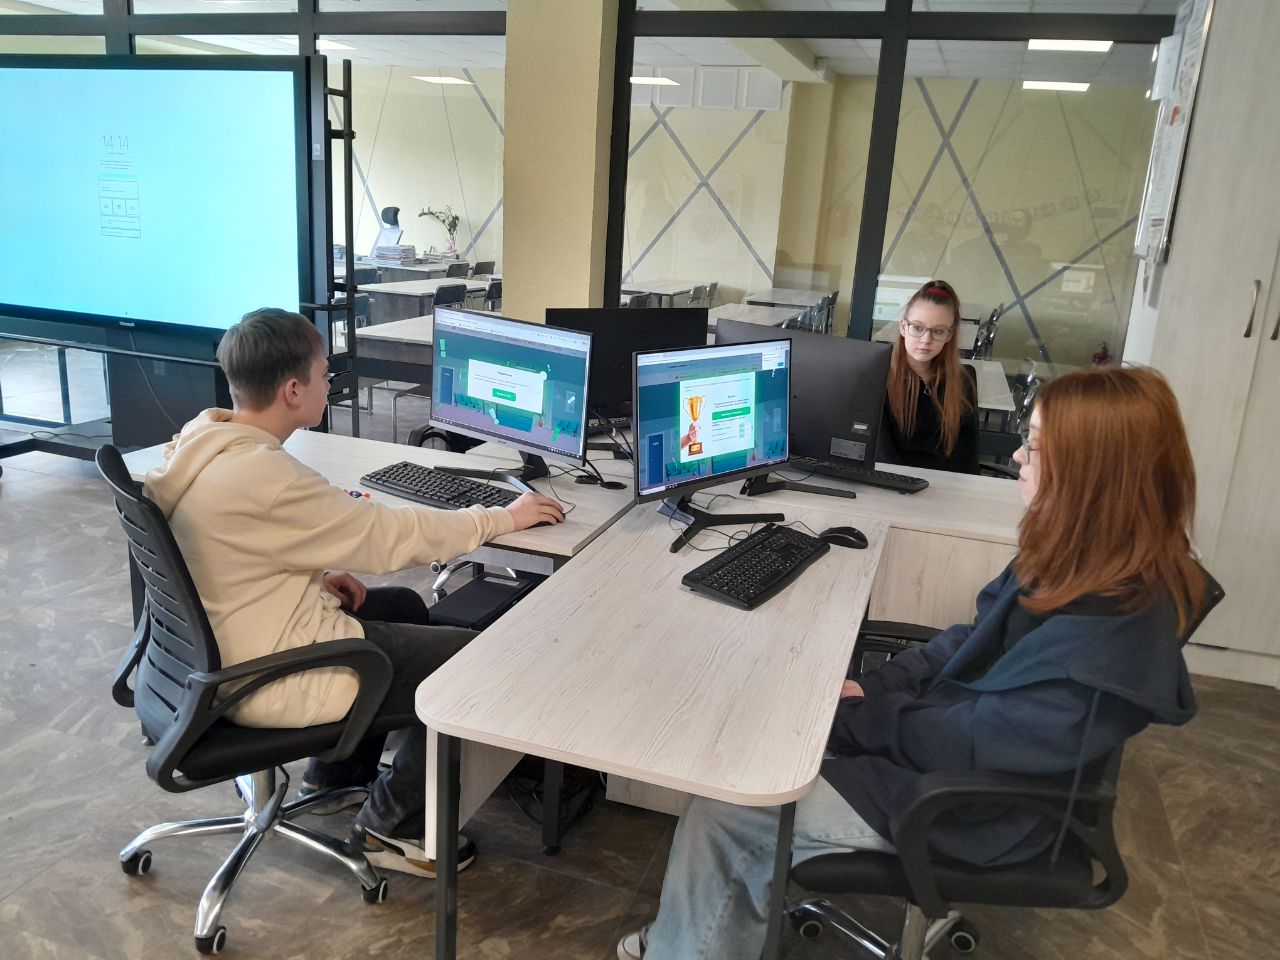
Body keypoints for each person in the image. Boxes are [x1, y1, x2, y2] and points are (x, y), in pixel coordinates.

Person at [619, 366, 1206, 959]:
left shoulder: (1113, 629)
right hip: (951, 754)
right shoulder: (1080, 552)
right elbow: (971, 641)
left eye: (1034, 445)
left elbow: (980, 744)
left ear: (1091, 470)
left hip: (971, 806)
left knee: (736, 808)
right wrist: (874, 687)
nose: (1018, 457)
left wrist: (855, 720)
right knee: (753, 751)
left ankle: (683, 946)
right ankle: (692, 937)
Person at [143, 308, 565, 878]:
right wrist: (501, 517)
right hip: (267, 674)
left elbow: (226, 549)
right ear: (293, 390)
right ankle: (394, 827)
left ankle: (334, 776)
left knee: (401, 605)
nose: (330, 383)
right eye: (324, 374)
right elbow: (387, 538)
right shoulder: (265, 477)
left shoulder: (202, 443)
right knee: (474, 662)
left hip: (211, 655)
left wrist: (311, 578)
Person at [878, 280, 980, 474]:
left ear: (949, 335)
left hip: (947, 486)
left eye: (938, 331)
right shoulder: (880, 377)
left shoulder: (962, 381)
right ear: (903, 327)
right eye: (918, 328)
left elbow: (967, 458)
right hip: (893, 483)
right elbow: (882, 455)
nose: (926, 339)